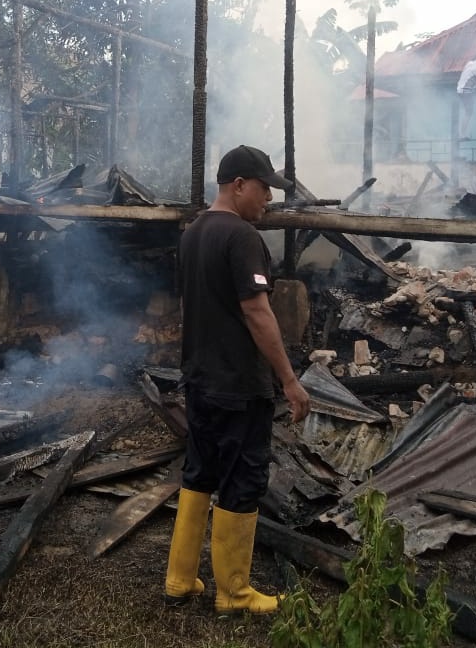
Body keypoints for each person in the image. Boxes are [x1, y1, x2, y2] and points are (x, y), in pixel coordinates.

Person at [164, 145, 311, 615]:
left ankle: (179, 580)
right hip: (238, 385)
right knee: (242, 479)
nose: (269, 198)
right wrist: (289, 379)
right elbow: (256, 311)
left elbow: (189, 305)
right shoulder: (242, 236)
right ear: (239, 185)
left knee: (199, 473)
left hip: (200, 380)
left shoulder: (192, 234)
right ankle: (233, 592)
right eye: (265, 188)